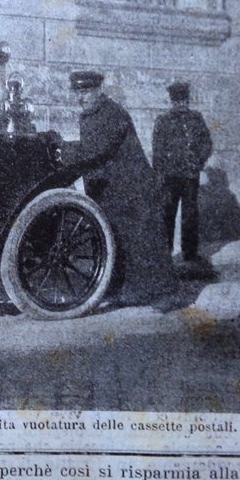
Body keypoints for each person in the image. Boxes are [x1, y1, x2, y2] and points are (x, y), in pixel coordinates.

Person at [61, 71, 175, 307]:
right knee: (116, 241)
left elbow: (95, 150)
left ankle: (149, 292)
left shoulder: (112, 113)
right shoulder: (93, 114)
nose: (81, 98)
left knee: (138, 242)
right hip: (113, 189)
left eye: (86, 92)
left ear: (99, 91)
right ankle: (119, 288)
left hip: (132, 189)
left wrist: (62, 150)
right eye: (77, 93)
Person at [152, 81, 213, 265]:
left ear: (188, 101)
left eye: (184, 101)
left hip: (189, 175)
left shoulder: (196, 119)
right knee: (167, 214)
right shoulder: (163, 121)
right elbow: (157, 150)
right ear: (172, 102)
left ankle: (190, 254)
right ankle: (164, 254)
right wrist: (160, 173)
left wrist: (198, 160)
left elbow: (207, 143)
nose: (181, 105)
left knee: (190, 215)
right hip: (170, 177)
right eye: (177, 101)